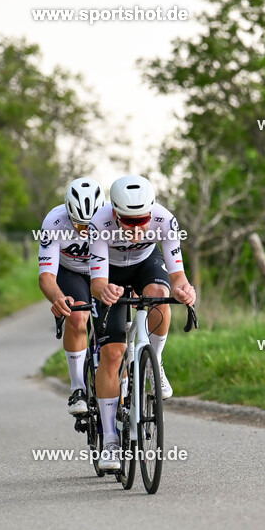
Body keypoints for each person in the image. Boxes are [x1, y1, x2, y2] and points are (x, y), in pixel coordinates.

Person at [88, 175, 196, 470]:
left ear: (151, 211)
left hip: (145, 263)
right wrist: (104, 291)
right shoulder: (99, 223)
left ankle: (155, 363)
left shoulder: (165, 220)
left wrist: (184, 290)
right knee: (111, 354)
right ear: (115, 214)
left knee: (160, 296)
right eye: (128, 221)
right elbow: (97, 282)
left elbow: (178, 277)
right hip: (109, 271)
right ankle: (109, 440)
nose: (137, 228)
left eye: (142, 220)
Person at [38, 177, 106, 416]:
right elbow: (46, 277)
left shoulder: (112, 219)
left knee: (118, 328)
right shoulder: (54, 222)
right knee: (77, 318)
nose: (86, 231)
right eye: (79, 226)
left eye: (91, 225)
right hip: (72, 272)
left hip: (107, 271)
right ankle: (78, 387)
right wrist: (57, 298)